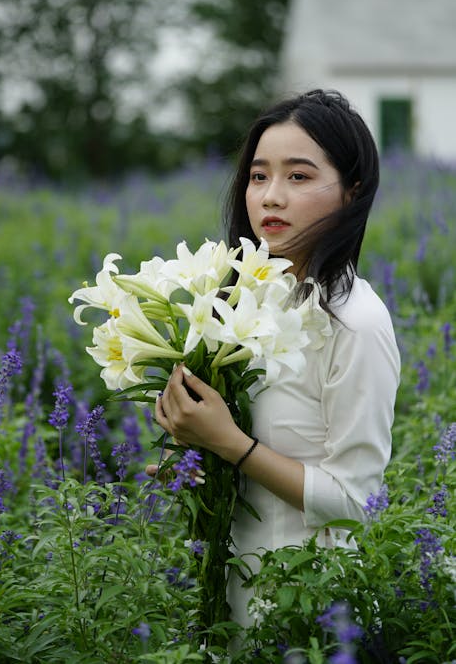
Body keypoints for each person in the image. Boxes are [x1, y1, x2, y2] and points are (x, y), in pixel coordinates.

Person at [146, 89, 401, 629]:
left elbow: (356, 501)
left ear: (352, 193)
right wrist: (194, 462)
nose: (271, 197)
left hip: (311, 611)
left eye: (299, 176)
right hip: (227, 599)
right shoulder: (239, 298)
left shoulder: (355, 321)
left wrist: (228, 444)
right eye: (259, 176)